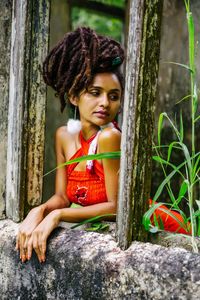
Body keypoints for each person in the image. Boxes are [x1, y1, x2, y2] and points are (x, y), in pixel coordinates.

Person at [16, 27, 124, 263]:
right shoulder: (64, 135)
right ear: (74, 96)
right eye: (95, 93)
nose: (105, 103)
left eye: (114, 96)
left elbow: (116, 207)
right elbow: (63, 195)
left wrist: (57, 216)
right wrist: (40, 210)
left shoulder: (109, 137)